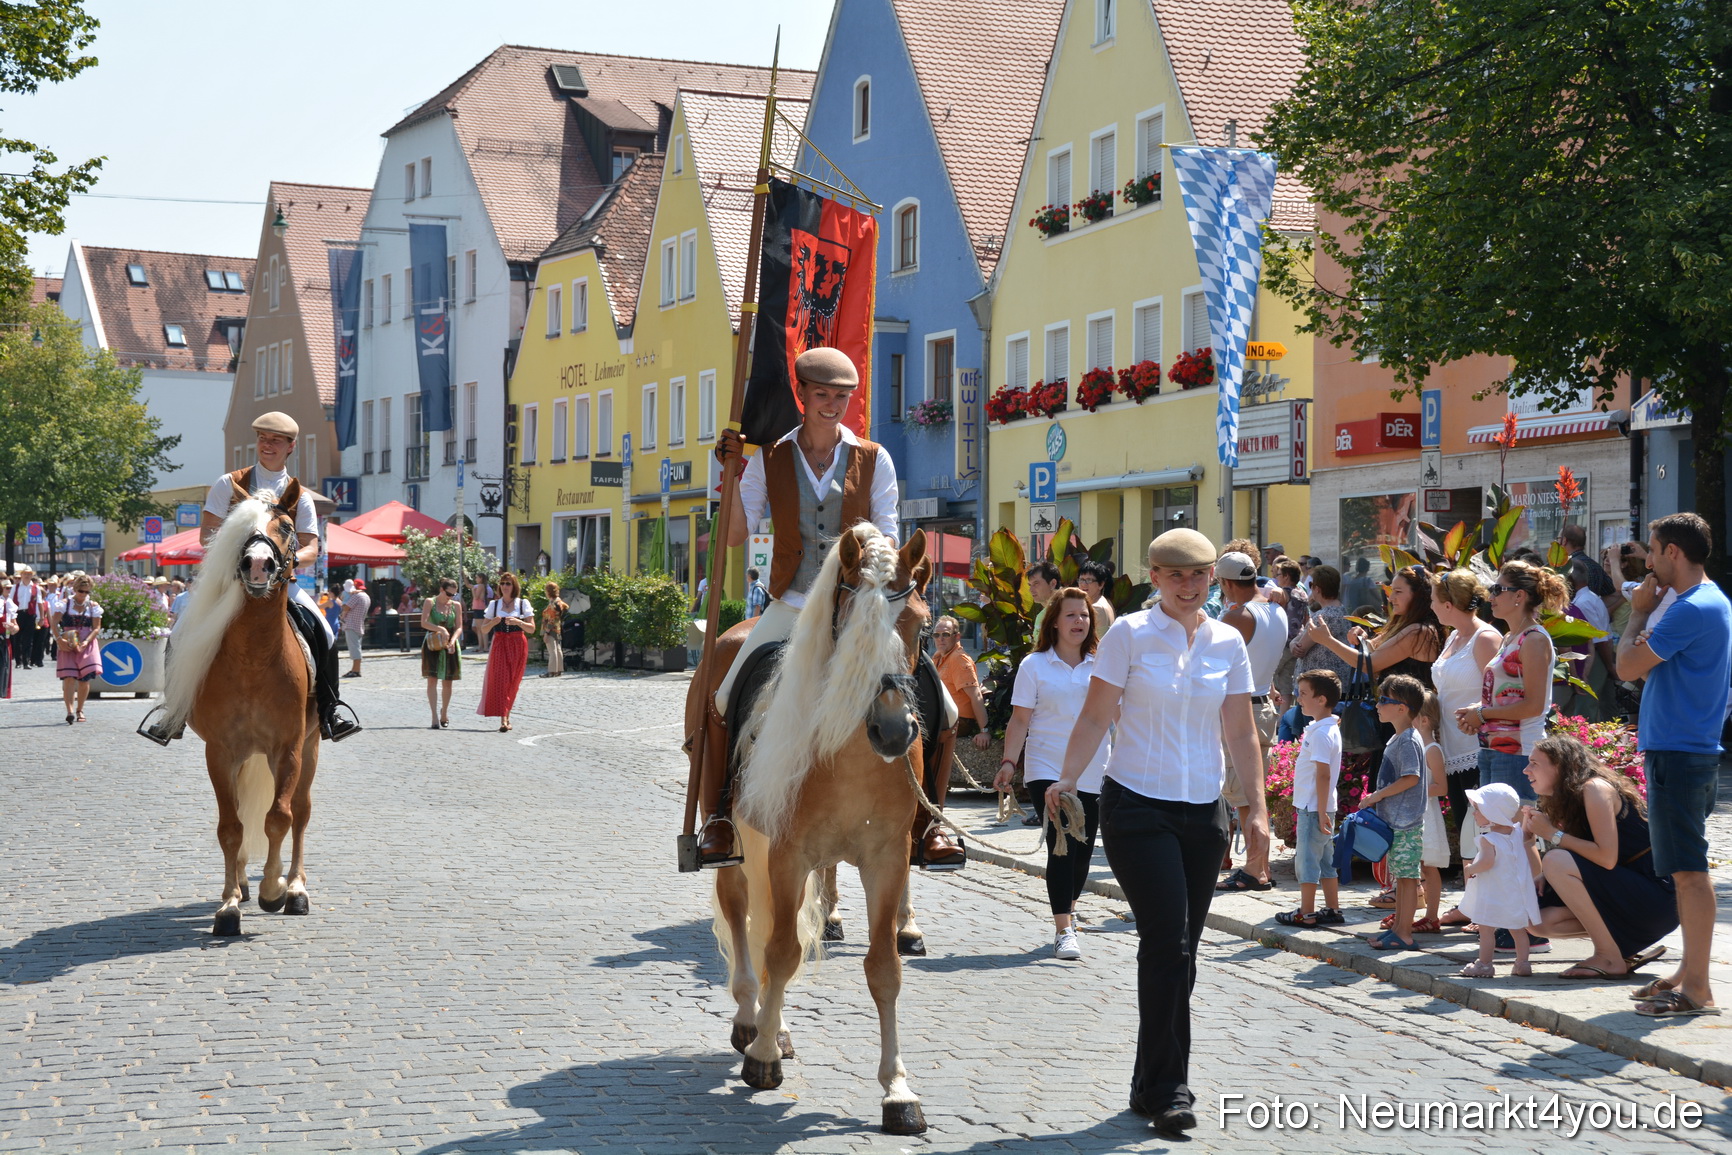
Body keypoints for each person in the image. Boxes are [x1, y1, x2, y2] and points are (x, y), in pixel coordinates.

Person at [1046, 527, 1266, 1137]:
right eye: (1175, 575)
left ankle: (1148, 1082)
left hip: (1204, 813)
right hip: (1138, 806)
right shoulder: (1129, 635)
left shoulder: (1228, 641)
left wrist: (1255, 809)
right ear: (1155, 577)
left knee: (1181, 953)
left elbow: (1240, 730)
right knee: (1168, 942)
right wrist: (1066, 779)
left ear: (1212, 578)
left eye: (1198, 575)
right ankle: (1171, 1091)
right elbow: (1096, 714)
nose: (1188, 586)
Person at [701, 347, 933, 868]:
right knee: (723, 695)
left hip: (858, 609)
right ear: (802, 395)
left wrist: (874, 581)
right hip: (791, 604)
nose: (832, 404)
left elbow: (889, 535)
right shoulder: (769, 458)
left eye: (842, 397)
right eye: (822, 394)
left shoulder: (875, 458)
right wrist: (731, 473)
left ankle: (930, 822)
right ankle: (718, 817)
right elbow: (735, 535)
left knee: (937, 697)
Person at [141, 411, 360, 744]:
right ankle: (174, 712)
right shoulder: (228, 484)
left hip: (281, 583)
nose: (267, 445)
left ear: (291, 446)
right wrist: (242, 559)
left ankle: (330, 710)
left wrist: (282, 563)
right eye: (262, 438)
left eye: (276, 441)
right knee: (181, 631)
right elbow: (207, 535)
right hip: (231, 582)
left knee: (325, 631)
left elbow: (311, 547)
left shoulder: (299, 495)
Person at [1616, 512, 1729, 1018]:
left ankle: (1699, 990)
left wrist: (1637, 615)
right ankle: (1688, 971)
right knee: (1684, 870)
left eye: (1654, 551)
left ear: (1674, 553)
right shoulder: (1709, 599)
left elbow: (1626, 667)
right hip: (1686, 749)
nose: (1648, 564)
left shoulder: (1689, 608)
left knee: (1689, 873)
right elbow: (1653, 672)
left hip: (1680, 753)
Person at [994, 588, 1111, 960]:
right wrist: (1009, 762)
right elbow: (1020, 720)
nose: (1079, 621)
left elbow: (1119, 716)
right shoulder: (1035, 665)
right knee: (1062, 843)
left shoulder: (1102, 664)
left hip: (1093, 767)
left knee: (1082, 851)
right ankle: (1063, 929)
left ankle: (1069, 913)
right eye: (1071, 615)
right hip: (1046, 766)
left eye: (1084, 615)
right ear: (1055, 623)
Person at [1520, 734, 1677, 979]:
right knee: (1536, 921)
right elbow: (1585, 856)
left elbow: (1606, 858)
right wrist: (1542, 867)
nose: (1526, 770)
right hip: (1631, 895)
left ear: (1561, 766)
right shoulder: (1569, 798)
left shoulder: (1595, 788)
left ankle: (1608, 956)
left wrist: (1552, 834)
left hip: (1658, 897)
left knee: (1556, 860)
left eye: (1534, 763)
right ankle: (1620, 950)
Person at [1455, 560, 1564, 800]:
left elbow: (1534, 706)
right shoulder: (1510, 637)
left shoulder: (1534, 640)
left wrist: (1482, 714)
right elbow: (1508, 698)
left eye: (1497, 590)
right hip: (1494, 750)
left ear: (1519, 596)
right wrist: (1476, 712)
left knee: (1512, 824)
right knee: (1492, 824)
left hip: (1519, 754)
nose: (1490, 596)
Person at [1216, 549, 1286, 891]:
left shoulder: (1237, 617)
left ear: (1226, 583)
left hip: (1241, 709)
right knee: (1253, 794)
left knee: (1244, 798)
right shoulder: (1276, 608)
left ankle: (1254, 869)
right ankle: (1261, 867)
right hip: (1263, 707)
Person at [1429, 569, 1501, 869]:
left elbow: (1501, 692)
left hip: (1477, 748)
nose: (1430, 605)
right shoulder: (1454, 636)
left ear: (1448, 605)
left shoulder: (1486, 638)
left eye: (1433, 600)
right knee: (1465, 829)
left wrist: (1478, 711)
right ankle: (1471, 891)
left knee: (1481, 832)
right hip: (1451, 747)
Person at [1359, 674, 1427, 949]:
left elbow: (1411, 777)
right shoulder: (1399, 738)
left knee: (1408, 880)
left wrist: (1377, 796)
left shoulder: (1408, 740)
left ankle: (1404, 934)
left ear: (1401, 708)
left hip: (1406, 822)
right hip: (1397, 821)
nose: (1377, 705)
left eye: (1383, 700)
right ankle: (1398, 929)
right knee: (1401, 879)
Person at [1275, 671, 1346, 928]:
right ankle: (1332, 909)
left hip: (1314, 807)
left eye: (1304, 694)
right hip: (1321, 806)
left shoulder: (1320, 733)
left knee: (1306, 860)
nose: (1299, 698)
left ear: (1321, 699)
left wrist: (1321, 810)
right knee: (1326, 860)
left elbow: (1323, 774)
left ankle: (1306, 912)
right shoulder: (1325, 728)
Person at [1456, 783, 1541, 977]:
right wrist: (1527, 816)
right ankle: (1523, 963)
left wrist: (1470, 869)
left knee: (1486, 930)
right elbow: (1529, 836)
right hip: (1515, 893)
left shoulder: (1489, 839)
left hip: (1492, 894)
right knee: (1518, 929)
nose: (1474, 813)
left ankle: (1485, 964)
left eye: (1478, 809)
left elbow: (1487, 862)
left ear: (1492, 812)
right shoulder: (1517, 834)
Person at [478, 572, 534, 732]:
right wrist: (493, 623)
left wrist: (518, 622)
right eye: (502, 583)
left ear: (514, 586)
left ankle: (506, 715)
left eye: (508, 583)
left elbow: (532, 629)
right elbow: (483, 629)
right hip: (500, 643)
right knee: (501, 680)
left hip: (517, 643)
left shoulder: (522, 604)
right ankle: (504, 719)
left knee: (513, 681)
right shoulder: (494, 605)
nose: (504, 586)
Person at [931, 615, 992, 753]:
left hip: (958, 721)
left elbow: (976, 696)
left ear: (957, 636)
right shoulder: (939, 657)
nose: (940, 639)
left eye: (946, 634)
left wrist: (984, 731)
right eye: (936, 635)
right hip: (943, 718)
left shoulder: (959, 659)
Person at [52, 575, 103, 723]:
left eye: (87, 592)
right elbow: (54, 623)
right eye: (81, 591)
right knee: (69, 678)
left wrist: (86, 641)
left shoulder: (93, 606)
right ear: (75, 589)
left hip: (87, 642)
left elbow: (96, 628)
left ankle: (80, 709)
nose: (84, 594)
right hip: (68, 642)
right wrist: (59, 639)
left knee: (84, 678)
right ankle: (70, 711)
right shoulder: (64, 604)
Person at [420, 578, 463, 728]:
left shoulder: (456, 605)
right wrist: (441, 629)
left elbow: (459, 627)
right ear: (441, 590)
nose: (450, 597)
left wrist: (453, 640)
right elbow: (424, 622)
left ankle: (444, 712)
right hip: (433, 642)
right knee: (432, 679)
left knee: (448, 681)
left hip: (450, 643)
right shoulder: (430, 602)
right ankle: (434, 715)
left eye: (453, 594)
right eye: (448, 594)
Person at [1561, 522, 1616, 600]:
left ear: (1564, 541)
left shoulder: (1566, 567)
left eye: (1558, 539)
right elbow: (1611, 592)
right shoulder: (1596, 566)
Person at [12, 567, 42, 668]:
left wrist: (41, 618)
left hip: (30, 614)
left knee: (28, 639)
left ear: (31, 575)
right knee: (17, 638)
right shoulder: (15, 587)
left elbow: (39, 603)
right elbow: (10, 601)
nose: (27, 575)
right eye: (25, 573)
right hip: (18, 614)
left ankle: (26, 662)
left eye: (29, 574)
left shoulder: (36, 588)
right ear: (21, 575)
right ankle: (18, 662)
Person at [340, 578, 370, 678]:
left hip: (351, 624)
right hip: (359, 624)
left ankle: (356, 670)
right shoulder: (366, 596)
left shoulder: (356, 596)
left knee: (354, 648)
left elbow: (346, 607)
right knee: (356, 647)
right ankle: (355, 669)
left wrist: (342, 600)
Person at [1076, 559, 1117, 635]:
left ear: (1101, 584)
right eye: (1081, 580)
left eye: (1089, 580)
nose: (1083, 584)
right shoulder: (1106, 601)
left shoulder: (1097, 608)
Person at [540, 581, 568, 677]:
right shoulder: (558, 601)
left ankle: (551, 671)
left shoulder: (553, 604)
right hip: (557, 628)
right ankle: (559, 670)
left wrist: (546, 633)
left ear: (548, 592)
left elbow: (551, 619)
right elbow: (565, 607)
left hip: (551, 629)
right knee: (558, 650)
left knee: (552, 650)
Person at [1026, 561, 1061, 634]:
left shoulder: (1067, 611)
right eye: (1030, 585)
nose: (1031, 590)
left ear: (1052, 584)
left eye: (1036, 583)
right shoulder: (1041, 616)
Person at [0, 575, 17, 700]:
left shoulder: (7, 604)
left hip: (3, 640)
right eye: (6, 588)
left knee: (3, 668)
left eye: (10, 588)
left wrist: (12, 627)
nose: (8, 590)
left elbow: (16, 628)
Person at [471, 575, 493, 652]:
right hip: (479, 608)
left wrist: (473, 591)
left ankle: (484, 647)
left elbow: (476, 597)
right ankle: (481, 646)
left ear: (481, 578)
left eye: (477, 577)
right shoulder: (482, 586)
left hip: (479, 608)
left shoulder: (480, 586)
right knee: (479, 629)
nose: (476, 579)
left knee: (482, 629)